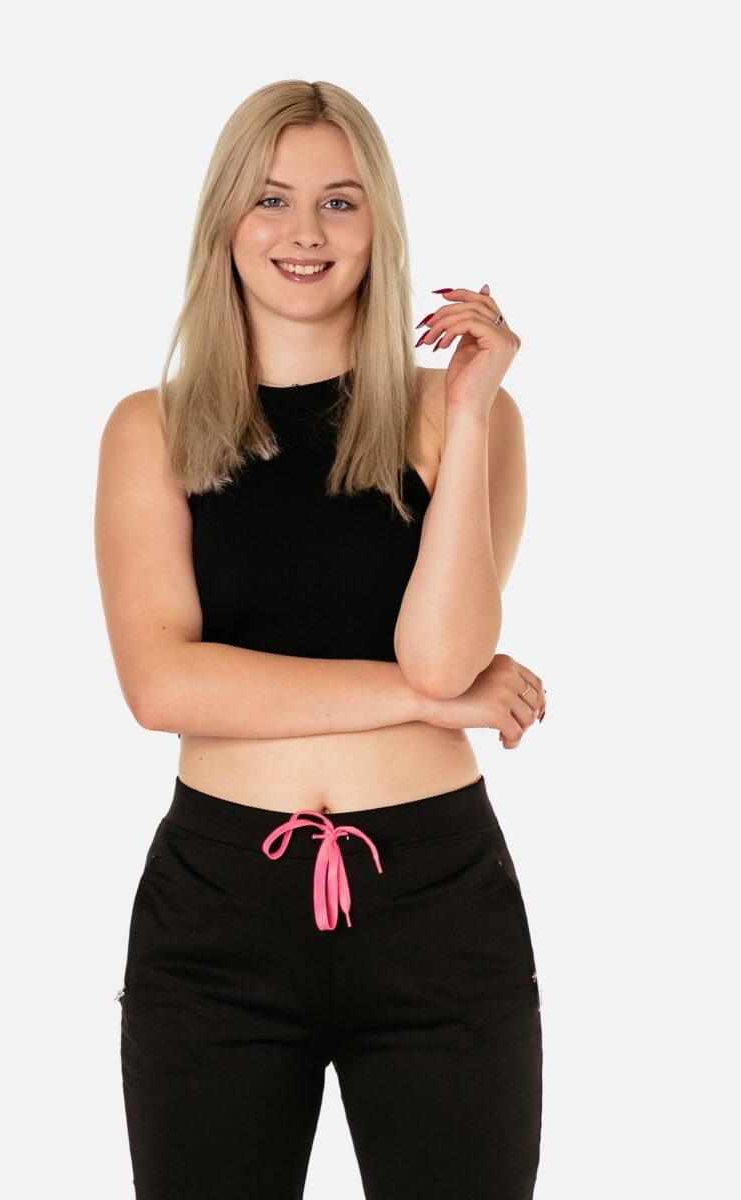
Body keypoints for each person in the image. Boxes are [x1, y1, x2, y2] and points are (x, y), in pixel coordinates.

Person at [94, 78, 546, 1200]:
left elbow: (444, 655)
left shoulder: (460, 415)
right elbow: (162, 685)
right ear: (224, 221)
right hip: (219, 917)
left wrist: (470, 410)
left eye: (339, 201)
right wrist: (427, 707)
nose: (305, 231)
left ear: (378, 224)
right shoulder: (152, 429)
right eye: (271, 198)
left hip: (438, 907)